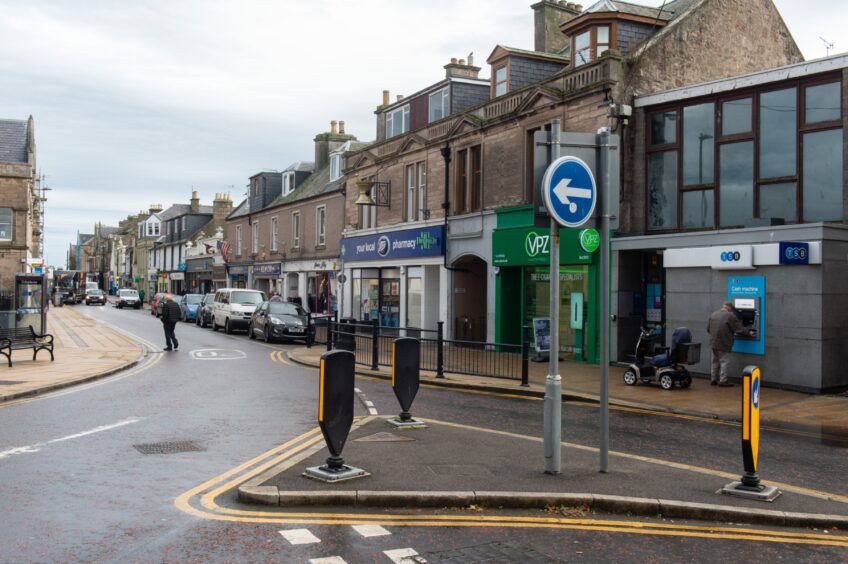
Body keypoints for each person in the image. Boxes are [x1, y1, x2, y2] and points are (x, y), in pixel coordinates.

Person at [707, 301, 748, 387]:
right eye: (731, 310)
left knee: (715, 361)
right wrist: (748, 332)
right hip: (724, 342)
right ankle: (723, 380)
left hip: (713, 342)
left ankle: (713, 379)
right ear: (729, 308)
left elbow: (708, 329)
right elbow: (739, 329)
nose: (732, 311)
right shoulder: (730, 315)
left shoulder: (714, 314)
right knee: (724, 362)